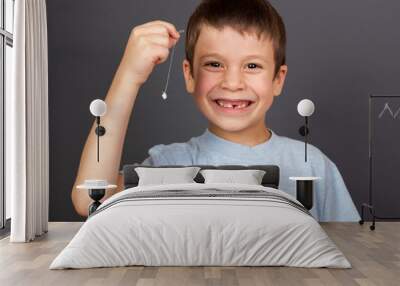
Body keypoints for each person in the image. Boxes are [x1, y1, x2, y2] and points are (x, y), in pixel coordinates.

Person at [71, 0, 360, 221]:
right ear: (189, 75)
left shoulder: (313, 166)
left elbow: (351, 249)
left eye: (252, 66)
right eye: (214, 64)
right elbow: (90, 202)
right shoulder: (168, 162)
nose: (232, 83)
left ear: (278, 79)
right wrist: (129, 76)